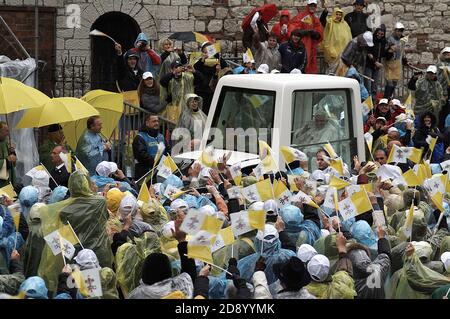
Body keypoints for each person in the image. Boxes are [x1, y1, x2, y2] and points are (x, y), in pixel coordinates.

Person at [160, 60, 203, 124]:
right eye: (176, 67)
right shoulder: (170, 79)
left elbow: (201, 79)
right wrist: (173, 73)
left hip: (187, 108)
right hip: (174, 109)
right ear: (172, 69)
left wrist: (194, 71)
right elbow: (162, 81)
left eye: (180, 67)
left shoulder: (188, 77)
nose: (178, 69)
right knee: (174, 127)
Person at [194, 42, 228, 115]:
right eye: (205, 52)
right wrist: (202, 60)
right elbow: (195, 68)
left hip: (213, 89)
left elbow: (226, 67)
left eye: (209, 51)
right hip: (202, 90)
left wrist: (218, 66)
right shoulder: (200, 61)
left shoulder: (217, 59)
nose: (207, 54)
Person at [290, 0, 323, 74]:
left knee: (311, 65)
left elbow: (319, 34)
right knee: (302, 64)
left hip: (312, 47)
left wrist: (316, 34)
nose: (312, 7)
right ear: (307, 6)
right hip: (302, 45)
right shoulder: (300, 16)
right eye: (311, 5)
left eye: (314, 6)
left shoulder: (316, 19)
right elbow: (293, 30)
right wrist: (306, 32)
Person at [132, 114, 167, 181]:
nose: (156, 123)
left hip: (160, 171)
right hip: (145, 173)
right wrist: (156, 162)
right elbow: (141, 155)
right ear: (147, 123)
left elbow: (167, 151)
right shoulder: (140, 137)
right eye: (154, 121)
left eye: (157, 121)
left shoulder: (161, 137)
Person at [320, 6, 352, 71]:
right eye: (337, 14)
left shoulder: (345, 24)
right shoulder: (330, 22)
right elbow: (323, 20)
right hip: (333, 52)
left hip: (343, 52)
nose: (338, 16)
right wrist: (325, 11)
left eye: (340, 15)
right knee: (332, 70)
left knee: (342, 71)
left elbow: (349, 36)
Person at [384, 22, 408, 99]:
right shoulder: (389, 39)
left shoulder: (402, 40)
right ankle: (386, 99)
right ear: (395, 30)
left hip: (397, 63)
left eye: (401, 31)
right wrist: (390, 51)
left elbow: (402, 51)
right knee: (389, 83)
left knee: (394, 83)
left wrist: (405, 60)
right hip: (389, 63)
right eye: (398, 30)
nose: (400, 32)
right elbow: (385, 51)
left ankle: (389, 98)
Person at [364, 25, 386, 98]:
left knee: (374, 86)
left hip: (377, 67)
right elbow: (369, 53)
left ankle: (373, 103)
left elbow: (383, 54)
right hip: (369, 65)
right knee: (368, 85)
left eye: (381, 34)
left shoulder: (383, 42)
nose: (379, 35)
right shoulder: (372, 40)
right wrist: (375, 62)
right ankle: (367, 102)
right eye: (378, 33)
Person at [0, 122, 16, 188]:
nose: (7, 133)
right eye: (6, 131)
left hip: (8, 179)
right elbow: (8, 160)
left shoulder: (6, 141)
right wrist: (7, 160)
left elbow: (13, 163)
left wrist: (12, 152)